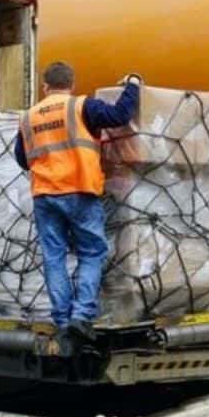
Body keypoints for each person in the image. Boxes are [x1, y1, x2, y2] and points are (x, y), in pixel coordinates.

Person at [13, 61, 141, 344]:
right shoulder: (81, 107)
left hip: (45, 195)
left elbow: (22, 158)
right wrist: (133, 84)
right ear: (72, 85)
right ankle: (81, 316)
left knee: (53, 257)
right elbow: (120, 114)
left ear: (44, 87)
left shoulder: (28, 117)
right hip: (79, 190)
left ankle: (62, 321)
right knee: (91, 252)